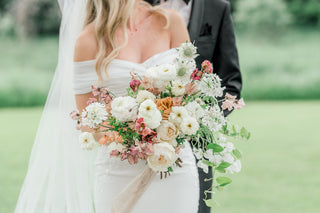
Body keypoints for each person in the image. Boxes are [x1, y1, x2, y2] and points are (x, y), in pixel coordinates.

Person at [15, 0, 199, 212]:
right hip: (119, 171)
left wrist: (167, 126)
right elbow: (89, 124)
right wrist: (136, 133)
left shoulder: (170, 21)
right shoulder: (88, 41)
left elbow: (191, 92)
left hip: (175, 166)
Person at [146, 0, 242, 212]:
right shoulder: (139, 6)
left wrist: (199, 120)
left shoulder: (218, 8)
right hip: (144, 144)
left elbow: (231, 83)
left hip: (196, 146)